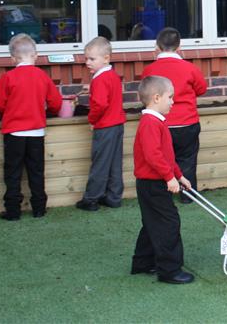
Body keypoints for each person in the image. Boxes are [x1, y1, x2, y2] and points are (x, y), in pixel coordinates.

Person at [0, 34, 62, 220]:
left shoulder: (8, 77)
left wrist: (3, 113)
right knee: (36, 171)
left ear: (13, 58)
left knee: (13, 173)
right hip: (37, 132)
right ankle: (39, 208)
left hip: (14, 132)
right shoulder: (42, 76)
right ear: (35, 55)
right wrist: (49, 111)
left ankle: (13, 211)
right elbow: (55, 102)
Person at [131, 75, 194, 285]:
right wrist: (169, 177)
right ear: (157, 98)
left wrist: (179, 175)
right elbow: (153, 156)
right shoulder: (150, 122)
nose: (173, 101)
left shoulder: (156, 121)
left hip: (154, 182)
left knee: (152, 222)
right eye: (170, 97)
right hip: (152, 183)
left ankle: (142, 262)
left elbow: (166, 155)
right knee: (169, 223)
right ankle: (169, 270)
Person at [142, 27, 207, 204]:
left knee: (162, 159)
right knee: (188, 160)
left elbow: (146, 93)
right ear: (179, 47)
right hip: (187, 122)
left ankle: (165, 193)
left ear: (157, 46)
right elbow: (201, 89)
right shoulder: (190, 68)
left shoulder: (150, 70)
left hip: (161, 123)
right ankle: (188, 196)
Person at [76, 36, 126, 211]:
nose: (87, 63)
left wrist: (92, 120)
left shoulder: (99, 79)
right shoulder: (112, 76)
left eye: (92, 59)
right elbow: (109, 96)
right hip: (118, 125)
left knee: (100, 163)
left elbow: (100, 104)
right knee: (114, 163)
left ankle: (91, 199)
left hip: (105, 127)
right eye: (86, 59)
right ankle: (113, 197)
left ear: (106, 58)